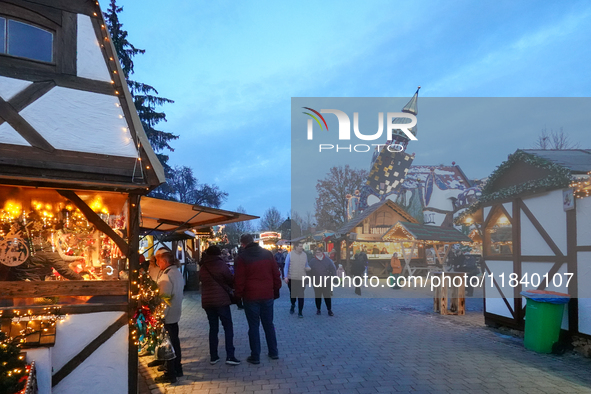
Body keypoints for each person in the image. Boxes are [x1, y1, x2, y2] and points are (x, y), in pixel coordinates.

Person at [234, 234, 281, 364]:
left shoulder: (242, 258)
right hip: (267, 295)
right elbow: (276, 273)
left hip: (250, 296)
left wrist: (238, 296)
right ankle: (273, 352)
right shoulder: (267, 254)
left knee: (253, 326)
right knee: (269, 324)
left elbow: (240, 279)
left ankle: (255, 356)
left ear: (242, 244)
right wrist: (275, 291)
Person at [199, 245, 240, 366]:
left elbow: (201, 280)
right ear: (218, 254)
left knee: (213, 328)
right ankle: (230, 355)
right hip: (221, 301)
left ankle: (214, 356)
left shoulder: (203, 266)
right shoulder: (221, 264)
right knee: (228, 327)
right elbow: (229, 279)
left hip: (207, 301)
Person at [154, 250, 184, 384]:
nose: (157, 263)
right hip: (176, 312)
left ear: (165, 262)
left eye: (159, 261)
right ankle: (178, 368)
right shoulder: (177, 272)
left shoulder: (166, 276)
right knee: (174, 342)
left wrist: (161, 316)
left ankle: (170, 373)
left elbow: (164, 299)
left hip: (168, 315)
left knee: (168, 344)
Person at [283, 241, 310, 318]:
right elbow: (286, 266)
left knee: (301, 295)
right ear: (296, 247)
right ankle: (293, 304)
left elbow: (306, 264)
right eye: (300, 246)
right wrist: (285, 276)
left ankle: (300, 311)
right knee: (293, 294)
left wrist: (308, 268)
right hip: (292, 278)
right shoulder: (290, 254)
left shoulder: (304, 255)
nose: (302, 248)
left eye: (302, 246)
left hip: (302, 279)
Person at [309, 247, 336, 316]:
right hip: (316, 282)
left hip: (326, 282)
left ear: (322, 252)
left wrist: (333, 277)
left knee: (327, 296)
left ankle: (329, 310)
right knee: (318, 296)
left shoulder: (327, 260)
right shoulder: (312, 261)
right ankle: (318, 309)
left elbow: (333, 269)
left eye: (319, 252)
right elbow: (309, 271)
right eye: (316, 253)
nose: (318, 254)